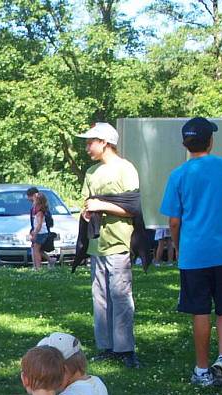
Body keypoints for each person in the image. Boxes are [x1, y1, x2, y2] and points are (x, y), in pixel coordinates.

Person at [160, 117, 222, 387]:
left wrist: (179, 247)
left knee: (200, 310)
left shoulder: (178, 175)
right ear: (211, 141)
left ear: (185, 144)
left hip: (194, 254)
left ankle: (202, 370)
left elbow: (174, 221)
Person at [77, 122, 141, 369]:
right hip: (97, 246)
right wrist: (86, 212)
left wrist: (101, 205)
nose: (87, 147)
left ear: (104, 142)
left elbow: (133, 208)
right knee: (100, 298)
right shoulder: (92, 172)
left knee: (121, 296)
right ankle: (106, 347)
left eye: (90, 142)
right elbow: (87, 203)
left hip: (119, 243)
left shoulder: (125, 169)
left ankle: (125, 349)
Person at [28, 189, 53, 270]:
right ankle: (48, 261)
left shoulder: (40, 212)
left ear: (38, 201)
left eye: (34, 200)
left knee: (36, 250)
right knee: (37, 249)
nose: (33, 201)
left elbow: (39, 225)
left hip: (41, 233)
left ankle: (38, 267)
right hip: (40, 232)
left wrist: (35, 233)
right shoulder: (38, 210)